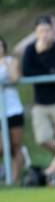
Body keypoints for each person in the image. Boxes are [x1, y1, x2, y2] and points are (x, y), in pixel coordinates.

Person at [22, 16, 55, 154]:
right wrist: (40, 55)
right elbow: (26, 72)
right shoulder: (30, 49)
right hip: (40, 102)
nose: (44, 34)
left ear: (53, 31)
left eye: (47, 30)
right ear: (36, 33)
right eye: (41, 31)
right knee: (42, 138)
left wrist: (41, 54)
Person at [0, 36, 25, 183]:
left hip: (13, 109)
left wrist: (5, 63)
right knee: (2, 148)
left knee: (16, 146)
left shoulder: (11, 62)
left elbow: (15, 78)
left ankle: (14, 180)